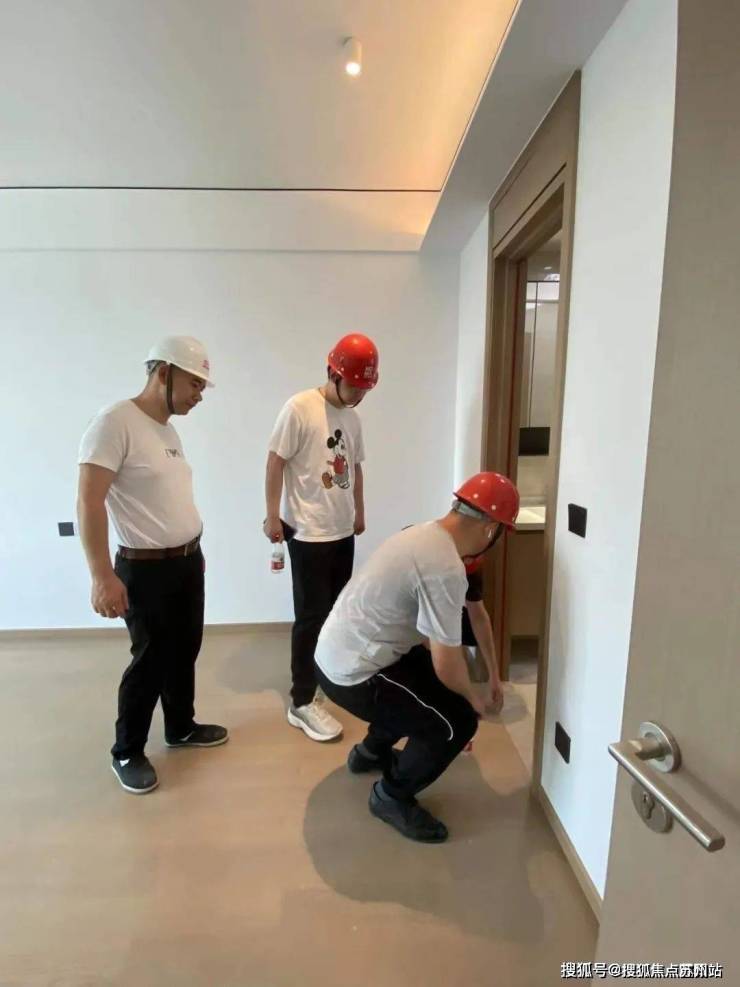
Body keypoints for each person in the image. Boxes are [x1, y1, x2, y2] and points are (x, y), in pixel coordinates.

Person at [314, 471, 519, 842]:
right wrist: (473, 699)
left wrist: (474, 678)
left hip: (335, 654)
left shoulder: (421, 534)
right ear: (491, 529)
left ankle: (370, 754)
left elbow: (433, 646)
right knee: (456, 722)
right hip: (354, 673)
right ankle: (390, 796)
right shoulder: (445, 568)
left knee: (425, 691)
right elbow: (446, 663)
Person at [77, 336, 227, 795]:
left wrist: (192, 550)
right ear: (163, 372)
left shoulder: (167, 431)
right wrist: (102, 576)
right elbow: (89, 501)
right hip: (145, 570)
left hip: (186, 562)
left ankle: (180, 727)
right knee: (150, 661)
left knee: (185, 650)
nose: (199, 395)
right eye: (194, 384)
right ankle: (126, 751)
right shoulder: (114, 422)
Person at [264, 333, 379, 741]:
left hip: (341, 529)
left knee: (335, 612)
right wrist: (272, 515)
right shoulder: (299, 407)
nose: (359, 395)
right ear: (333, 372)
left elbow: (355, 466)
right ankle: (301, 700)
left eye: (365, 388)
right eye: (355, 386)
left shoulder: (352, 417)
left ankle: (323, 680)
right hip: (308, 532)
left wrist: (359, 511)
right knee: (310, 617)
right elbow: (275, 461)